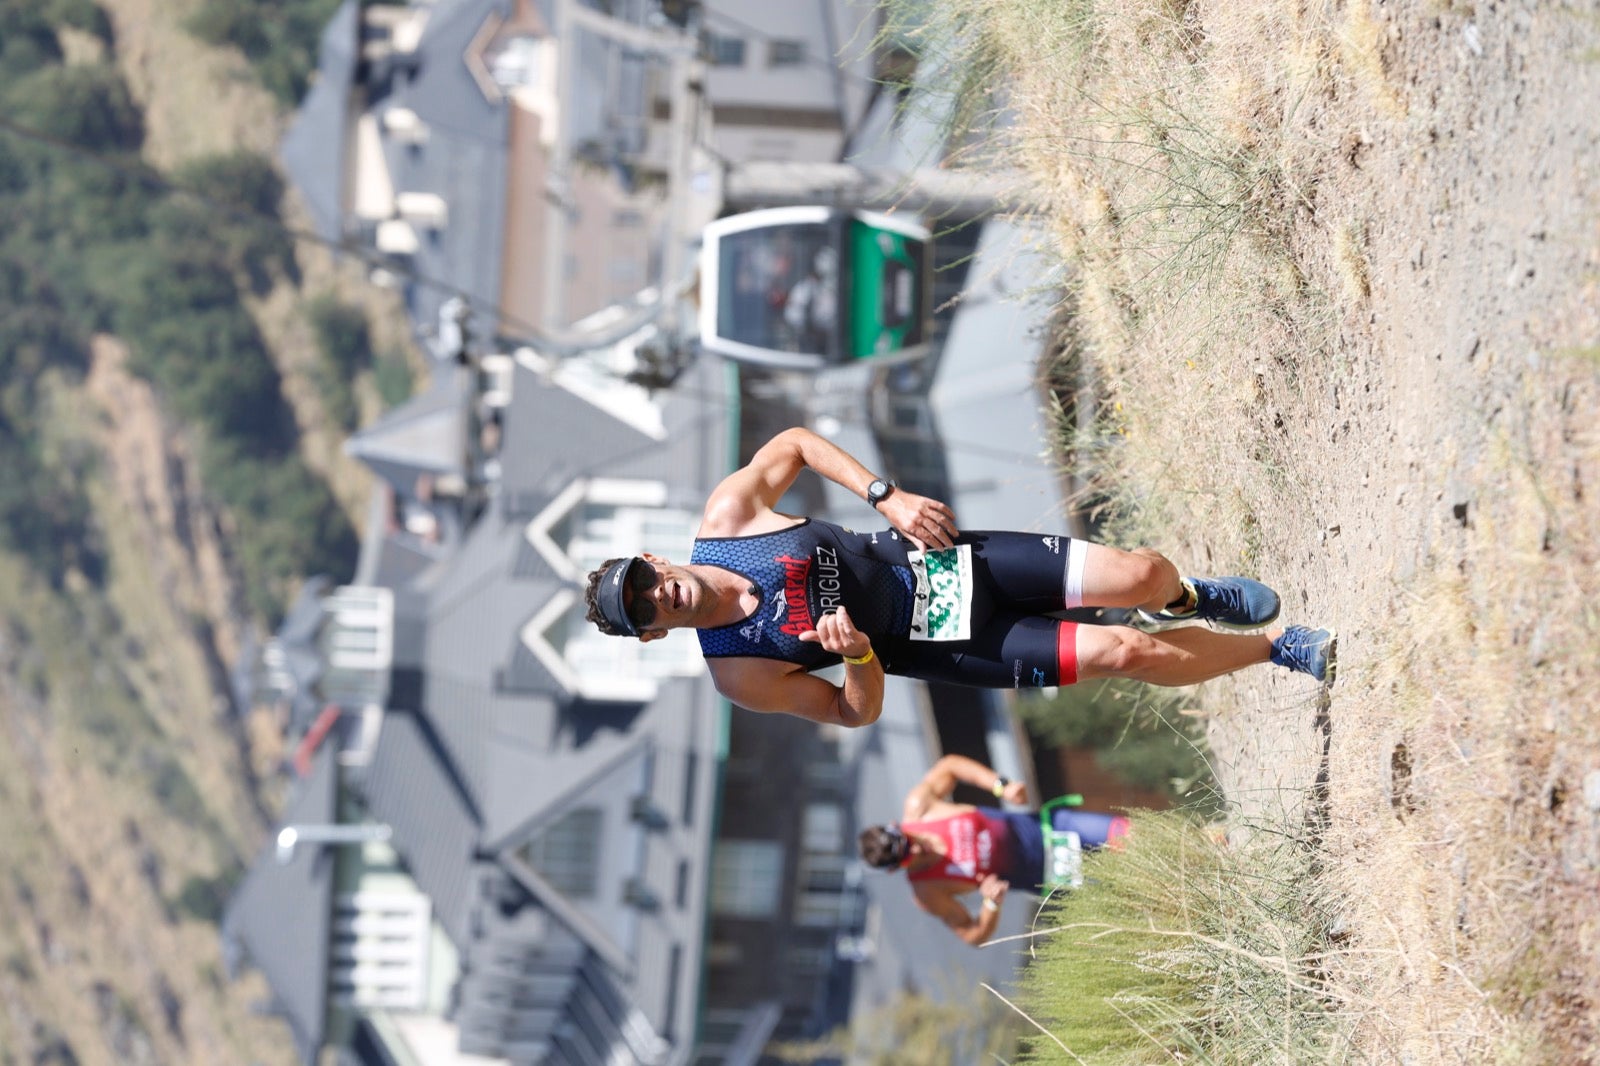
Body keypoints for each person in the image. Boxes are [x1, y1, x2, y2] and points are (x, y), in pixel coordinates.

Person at [583, 427, 1335, 728]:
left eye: (643, 580)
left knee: (1141, 574)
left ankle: (1186, 599)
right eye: (643, 609)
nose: (657, 594)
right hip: (952, 646)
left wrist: (887, 496)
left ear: (653, 559)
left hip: (940, 557)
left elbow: (795, 444)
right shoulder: (740, 674)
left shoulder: (729, 517)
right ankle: (1279, 649)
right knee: (1125, 656)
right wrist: (856, 657)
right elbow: (854, 714)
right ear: (653, 634)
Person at [856, 754, 1127, 947]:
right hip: (1055, 876)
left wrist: (1000, 785)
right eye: (907, 856)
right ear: (895, 870)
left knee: (1133, 834)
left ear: (896, 825)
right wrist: (990, 905)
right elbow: (972, 935)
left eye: (908, 840)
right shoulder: (927, 891)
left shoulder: (919, 806)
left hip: (1053, 827)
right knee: (1130, 890)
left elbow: (949, 766)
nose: (916, 848)